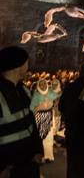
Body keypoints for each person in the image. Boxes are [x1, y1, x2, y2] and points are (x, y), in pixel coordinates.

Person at [0, 46, 43, 178]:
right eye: (26, 63)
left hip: (29, 164)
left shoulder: (23, 90)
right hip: (9, 168)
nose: (27, 67)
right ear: (17, 66)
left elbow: (31, 124)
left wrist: (37, 150)